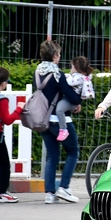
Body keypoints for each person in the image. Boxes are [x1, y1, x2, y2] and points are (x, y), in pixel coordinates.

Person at [36, 40, 82, 204]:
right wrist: (77, 103)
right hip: (59, 120)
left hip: (43, 120)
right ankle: (64, 188)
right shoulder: (57, 74)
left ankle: (50, 193)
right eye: (59, 54)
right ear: (55, 55)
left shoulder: (38, 72)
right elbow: (72, 96)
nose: (60, 56)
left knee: (52, 156)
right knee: (73, 151)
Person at [0, 67, 26, 203]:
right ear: (3, 83)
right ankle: (2, 192)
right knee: (4, 164)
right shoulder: (1, 100)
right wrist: (19, 108)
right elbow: (7, 120)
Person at [56, 56, 95, 141]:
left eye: (72, 66)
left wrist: (64, 76)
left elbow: (70, 82)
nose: (71, 68)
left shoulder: (79, 77)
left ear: (76, 67)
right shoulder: (81, 76)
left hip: (70, 101)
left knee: (59, 109)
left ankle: (63, 129)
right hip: (71, 100)